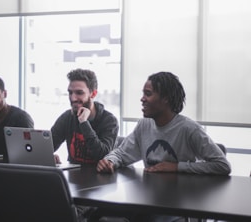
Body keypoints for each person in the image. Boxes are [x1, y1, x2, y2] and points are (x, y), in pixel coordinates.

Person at [96, 71, 231, 221]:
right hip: (148, 201)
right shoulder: (144, 125)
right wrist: (110, 161)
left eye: (148, 94)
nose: (142, 99)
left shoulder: (189, 129)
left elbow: (222, 165)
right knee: (99, 214)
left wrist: (177, 167)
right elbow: (121, 154)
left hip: (178, 206)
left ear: (165, 99)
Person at [51, 68, 119, 165]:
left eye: (79, 93)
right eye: (70, 93)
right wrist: (48, 156)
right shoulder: (67, 117)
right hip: (72, 177)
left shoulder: (109, 121)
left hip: (101, 178)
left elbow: (103, 156)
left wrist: (84, 123)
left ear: (93, 94)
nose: (73, 98)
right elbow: (48, 146)